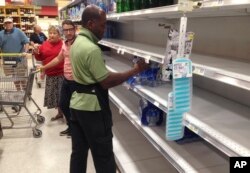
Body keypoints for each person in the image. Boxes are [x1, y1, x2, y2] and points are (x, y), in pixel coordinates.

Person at [69, 5, 149, 173]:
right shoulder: (91, 49)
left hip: (76, 103)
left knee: (79, 152)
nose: (104, 29)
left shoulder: (76, 43)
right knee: (103, 155)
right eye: (103, 25)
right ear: (91, 24)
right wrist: (135, 70)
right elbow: (105, 81)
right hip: (92, 108)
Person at [39, 20, 76, 136]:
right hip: (66, 78)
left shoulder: (79, 43)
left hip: (76, 80)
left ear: (74, 29)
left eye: (71, 29)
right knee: (63, 104)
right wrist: (44, 67)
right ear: (63, 31)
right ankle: (71, 127)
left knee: (74, 107)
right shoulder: (65, 43)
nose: (68, 32)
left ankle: (76, 130)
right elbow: (58, 59)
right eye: (66, 30)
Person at [33, 25, 64, 121]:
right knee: (55, 96)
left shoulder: (63, 44)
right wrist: (36, 51)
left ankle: (67, 115)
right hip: (50, 74)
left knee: (62, 97)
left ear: (59, 35)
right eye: (50, 33)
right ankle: (60, 113)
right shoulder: (45, 44)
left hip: (61, 74)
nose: (52, 35)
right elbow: (39, 57)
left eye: (55, 33)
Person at [0, 17, 29, 111]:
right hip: (8, 60)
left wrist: (25, 51)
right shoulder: (1, 34)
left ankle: (24, 92)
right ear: (4, 25)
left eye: (9, 23)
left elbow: (26, 42)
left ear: (12, 23)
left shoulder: (18, 32)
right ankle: (18, 91)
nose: (8, 25)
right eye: (6, 23)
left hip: (20, 59)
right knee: (14, 77)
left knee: (22, 77)